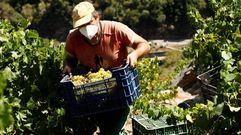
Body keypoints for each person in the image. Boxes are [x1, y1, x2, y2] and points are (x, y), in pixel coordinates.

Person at [63, 1, 150, 135]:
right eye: (81, 26)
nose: (85, 28)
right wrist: (68, 66)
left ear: (97, 17)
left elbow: (144, 44)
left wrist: (135, 55)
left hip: (120, 90)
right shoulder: (73, 38)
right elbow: (70, 58)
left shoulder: (115, 29)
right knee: (107, 128)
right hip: (93, 93)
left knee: (111, 130)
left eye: (88, 23)